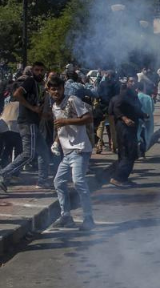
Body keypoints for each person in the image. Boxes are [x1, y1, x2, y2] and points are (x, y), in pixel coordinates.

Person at [46, 76, 95, 231]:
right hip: (67, 152)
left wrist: (66, 121)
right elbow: (60, 127)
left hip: (80, 149)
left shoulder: (72, 100)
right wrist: (56, 142)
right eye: (52, 89)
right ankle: (66, 216)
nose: (56, 91)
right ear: (48, 90)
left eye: (58, 88)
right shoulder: (54, 107)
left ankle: (88, 218)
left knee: (79, 182)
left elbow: (88, 118)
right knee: (58, 182)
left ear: (63, 88)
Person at [0, 62, 51, 191]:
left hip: (33, 123)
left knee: (44, 152)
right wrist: (32, 108)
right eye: (37, 70)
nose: (39, 72)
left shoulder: (39, 86)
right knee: (29, 153)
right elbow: (17, 94)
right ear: (33, 71)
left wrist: (44, 113)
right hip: (27, 122)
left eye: (41, 70)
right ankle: (4, 173)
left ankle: (42, 180)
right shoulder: (30, 81)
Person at [109, 83, 147, 188]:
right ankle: (117, 178)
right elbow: (116, 110)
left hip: (121, 130)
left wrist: (143, 115)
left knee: (124, 154)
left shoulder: (117, 98)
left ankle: (124, 179)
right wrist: (125, 119)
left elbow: (111, 113)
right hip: (126, 130)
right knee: (130, 154)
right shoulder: (124, 98)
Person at [135, 82, 155, 159]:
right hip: (148, 119)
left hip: (138, 119)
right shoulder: (149, 98)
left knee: (138, 135)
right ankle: (142, 152)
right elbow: (152, 109)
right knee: (146, 136)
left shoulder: (136, 97)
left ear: (136, 89)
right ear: (144, 88)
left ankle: (138, 152)